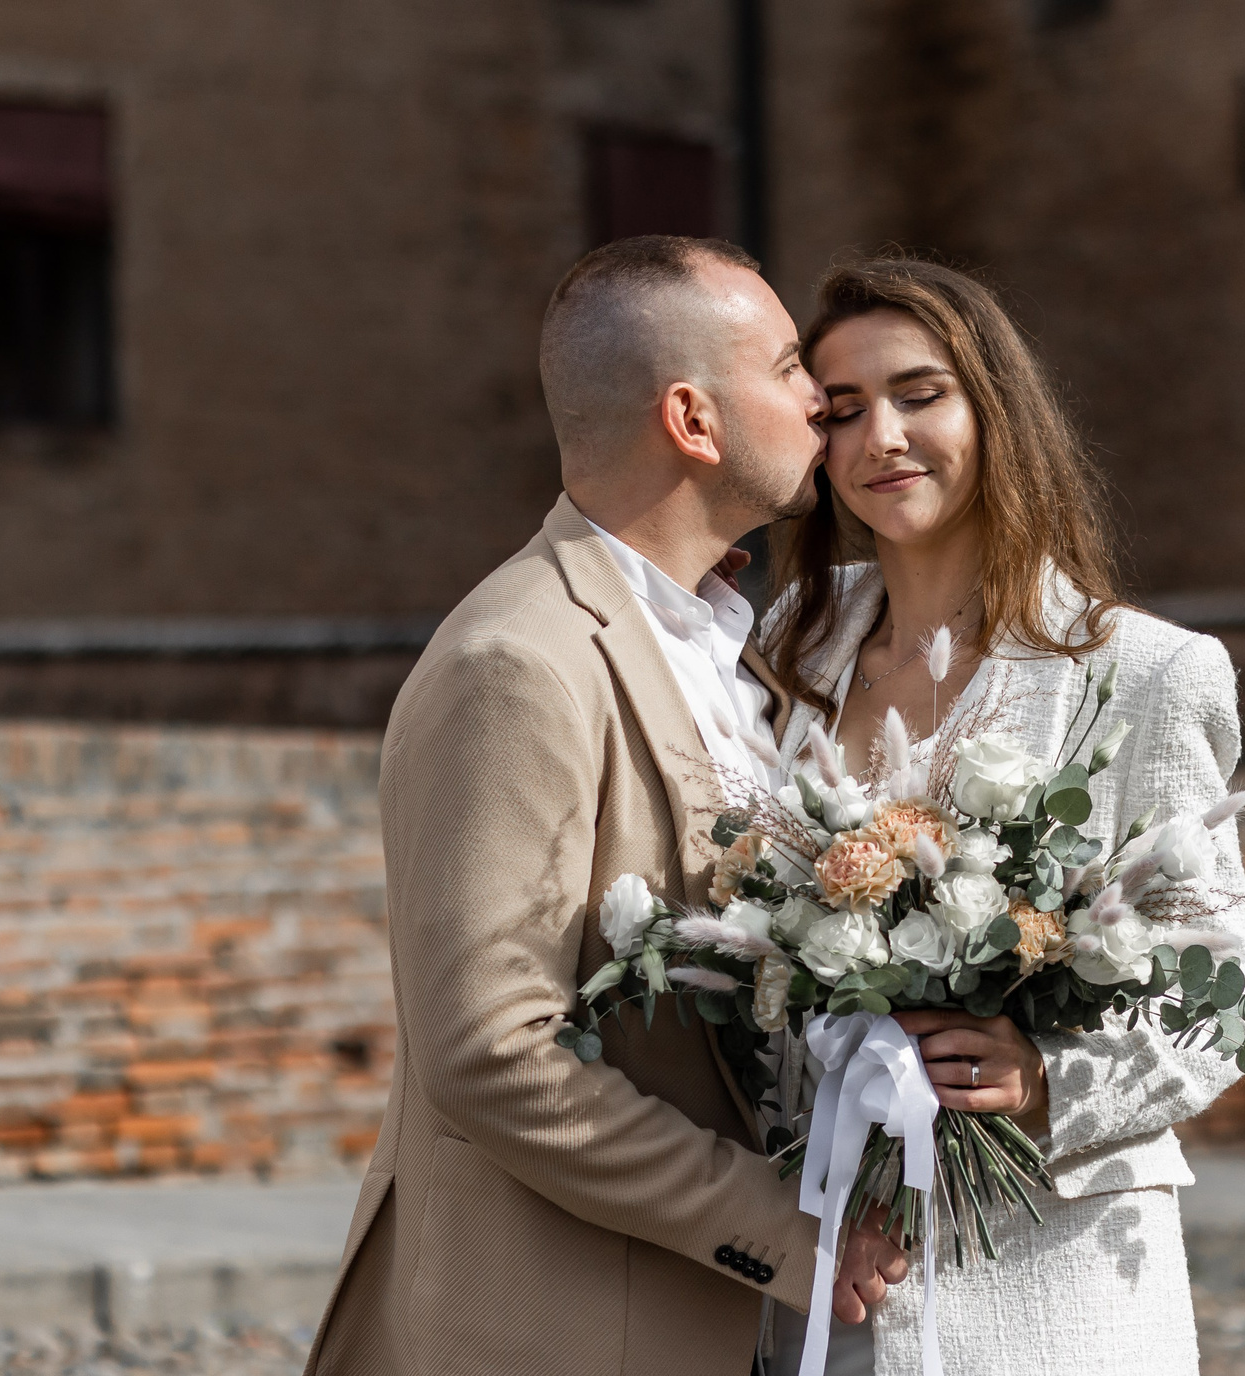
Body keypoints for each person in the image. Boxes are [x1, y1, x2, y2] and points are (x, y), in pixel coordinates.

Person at [301, 236, 908, 1376]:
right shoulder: (517, 660)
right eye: (786, 369)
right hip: (556, 1324)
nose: (819, 399)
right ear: (692, 418)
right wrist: (785, 1228)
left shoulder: (733, 646)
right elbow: (489, 1048)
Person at [760, 256, 1245, 1376]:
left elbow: (1213, 987)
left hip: (1051, 1276)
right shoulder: (790, 643)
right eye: (839, 411)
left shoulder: (1143, 673)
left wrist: (1042, 1076)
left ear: (994, 405)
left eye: (918, 393)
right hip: (826, 1273)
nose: (879, 437)